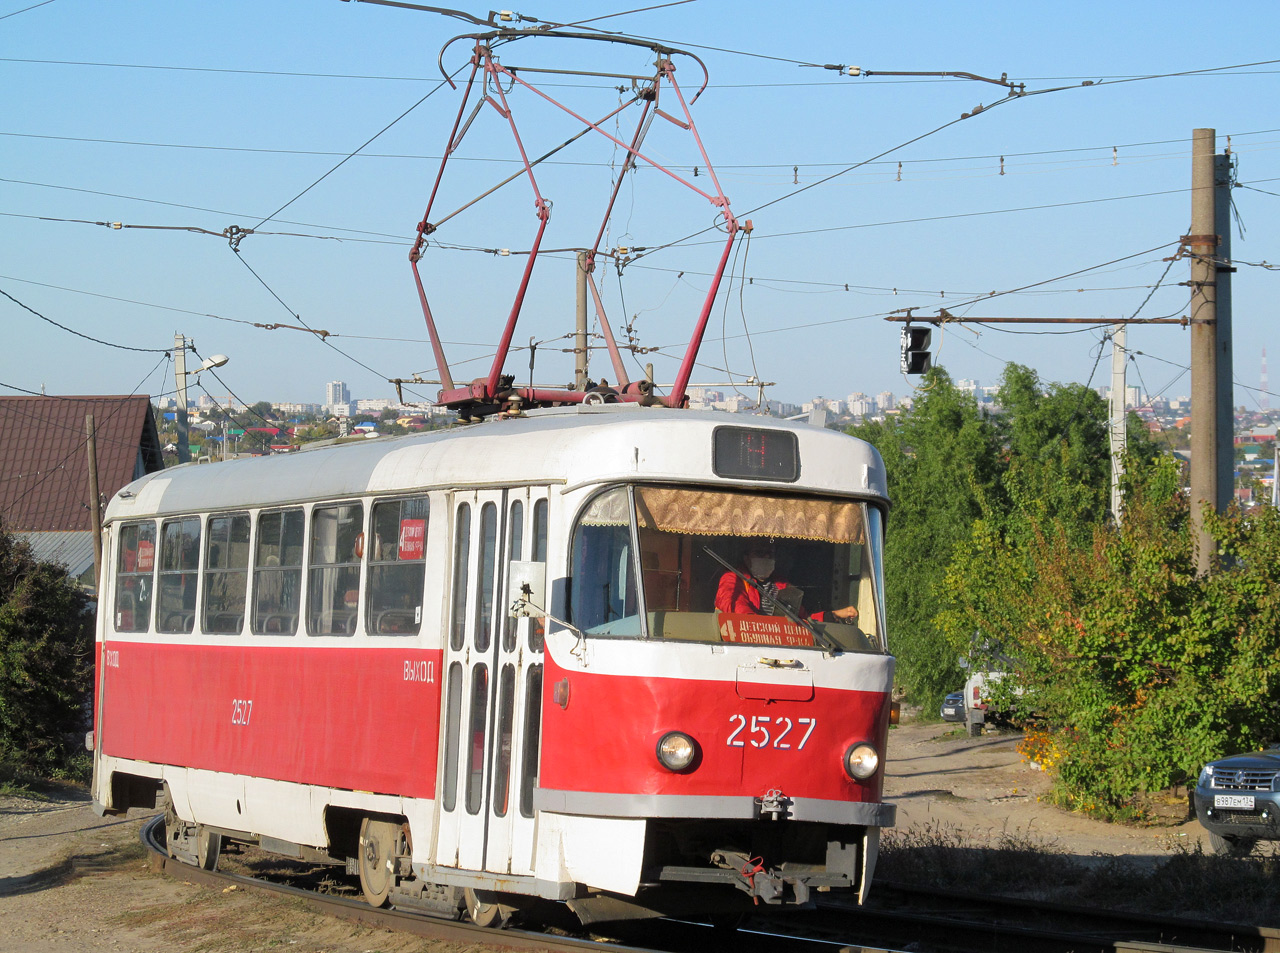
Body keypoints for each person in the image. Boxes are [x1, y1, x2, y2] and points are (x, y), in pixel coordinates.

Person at [715, 539, 858, 623]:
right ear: (746, 558)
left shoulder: (782, 585)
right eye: (759, 553)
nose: (765, 557)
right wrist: (757, 625)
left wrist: (833, 615)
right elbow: (734, 605)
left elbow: (803, 620)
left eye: (769, 554)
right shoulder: (733, 579)